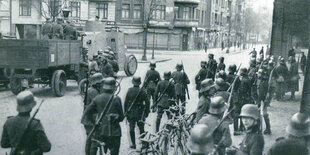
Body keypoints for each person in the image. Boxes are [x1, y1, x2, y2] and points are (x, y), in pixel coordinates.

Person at [82, 77, 124, 155]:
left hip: (101, 131)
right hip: (114, 132)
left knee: (96, 148)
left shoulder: (98, 98)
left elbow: (87, 112)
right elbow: (121, 117)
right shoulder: (117, 99)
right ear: (113, 88)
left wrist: (94, 121)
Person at [124, 76, 150, 149]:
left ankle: (133, 144)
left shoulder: (129, 90)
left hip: (131, 112)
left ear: (133, 82)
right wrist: (146, 112)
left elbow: (126, 103)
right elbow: (147, 102)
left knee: (131, 129)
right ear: (139, 83)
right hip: (140, 112)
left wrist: (126, 112)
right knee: (141, 128)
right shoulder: (143, 91)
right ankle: (144, 143)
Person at [81, 73, 103, 155]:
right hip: (91, 119)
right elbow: (98, 104)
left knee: (89, 139)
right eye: (101, 83)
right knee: (94, 141)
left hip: (87, 119)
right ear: (97, 84)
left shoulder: (91, 90)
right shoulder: (94, 92)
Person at [256, 69, 271, 135]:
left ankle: (267, 129)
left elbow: (262, 93)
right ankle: (263, 128)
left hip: (263, 99)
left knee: (264, 114)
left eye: (259, 73)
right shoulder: (261, 81)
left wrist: (259, 102)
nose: (258, 74)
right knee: (261, 114)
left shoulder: (263, 82)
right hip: (262, 99)